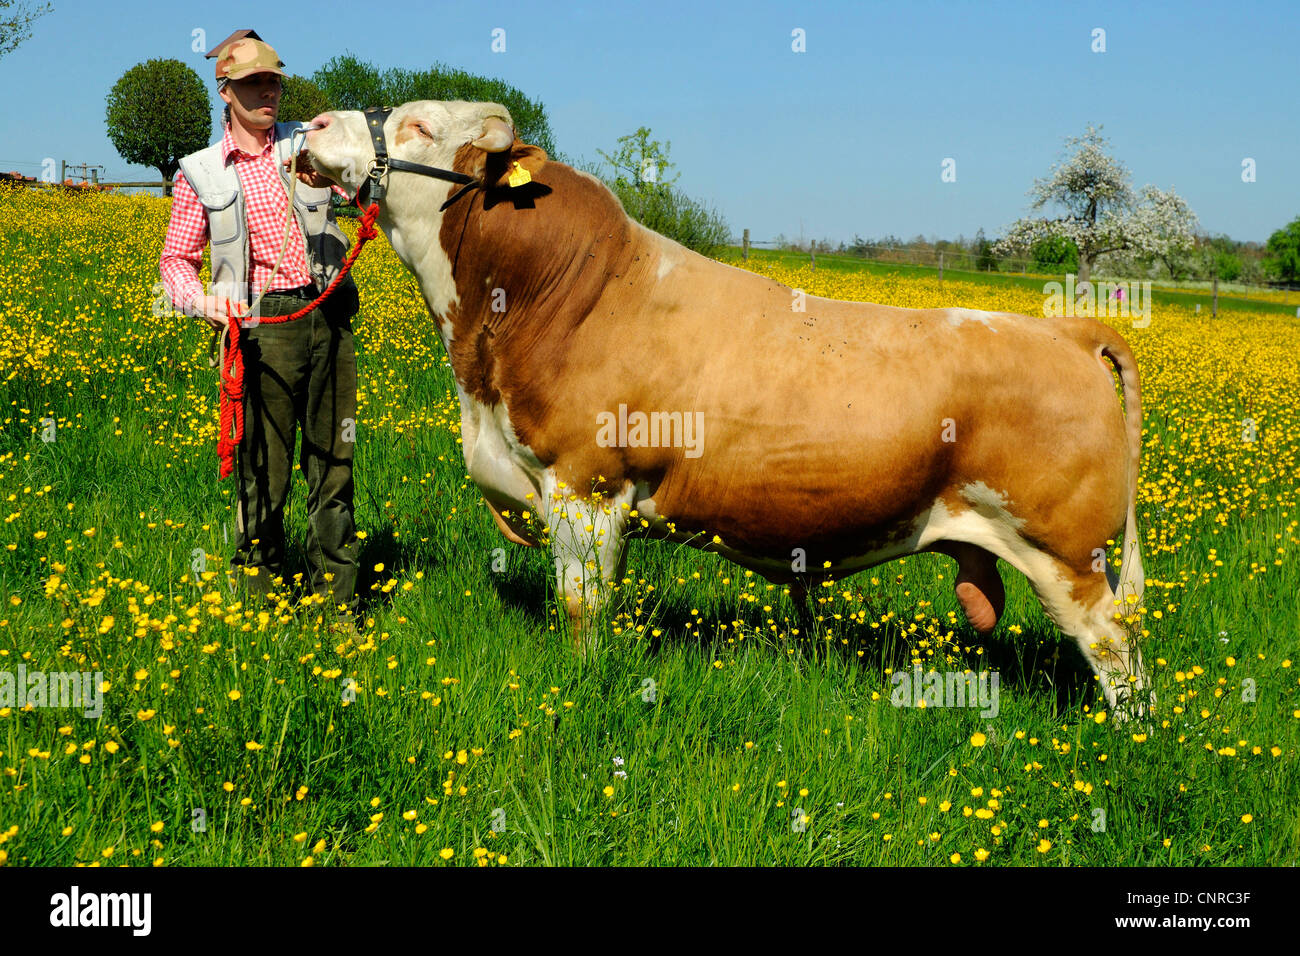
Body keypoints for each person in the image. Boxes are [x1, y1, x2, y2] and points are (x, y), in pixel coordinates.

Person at [159, 35, 362, 631]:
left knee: (334, 468)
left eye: (274, 81)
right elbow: (176, 260)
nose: (268, 92)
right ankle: (261, 610)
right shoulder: (199, 171)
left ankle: (339, 610)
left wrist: (341, 155)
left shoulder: (309, 144)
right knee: (262, 476)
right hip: (258, 330)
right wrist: (200, 302)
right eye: (253, 85)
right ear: (226, 91)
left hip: (327, 317)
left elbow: (362, 185)